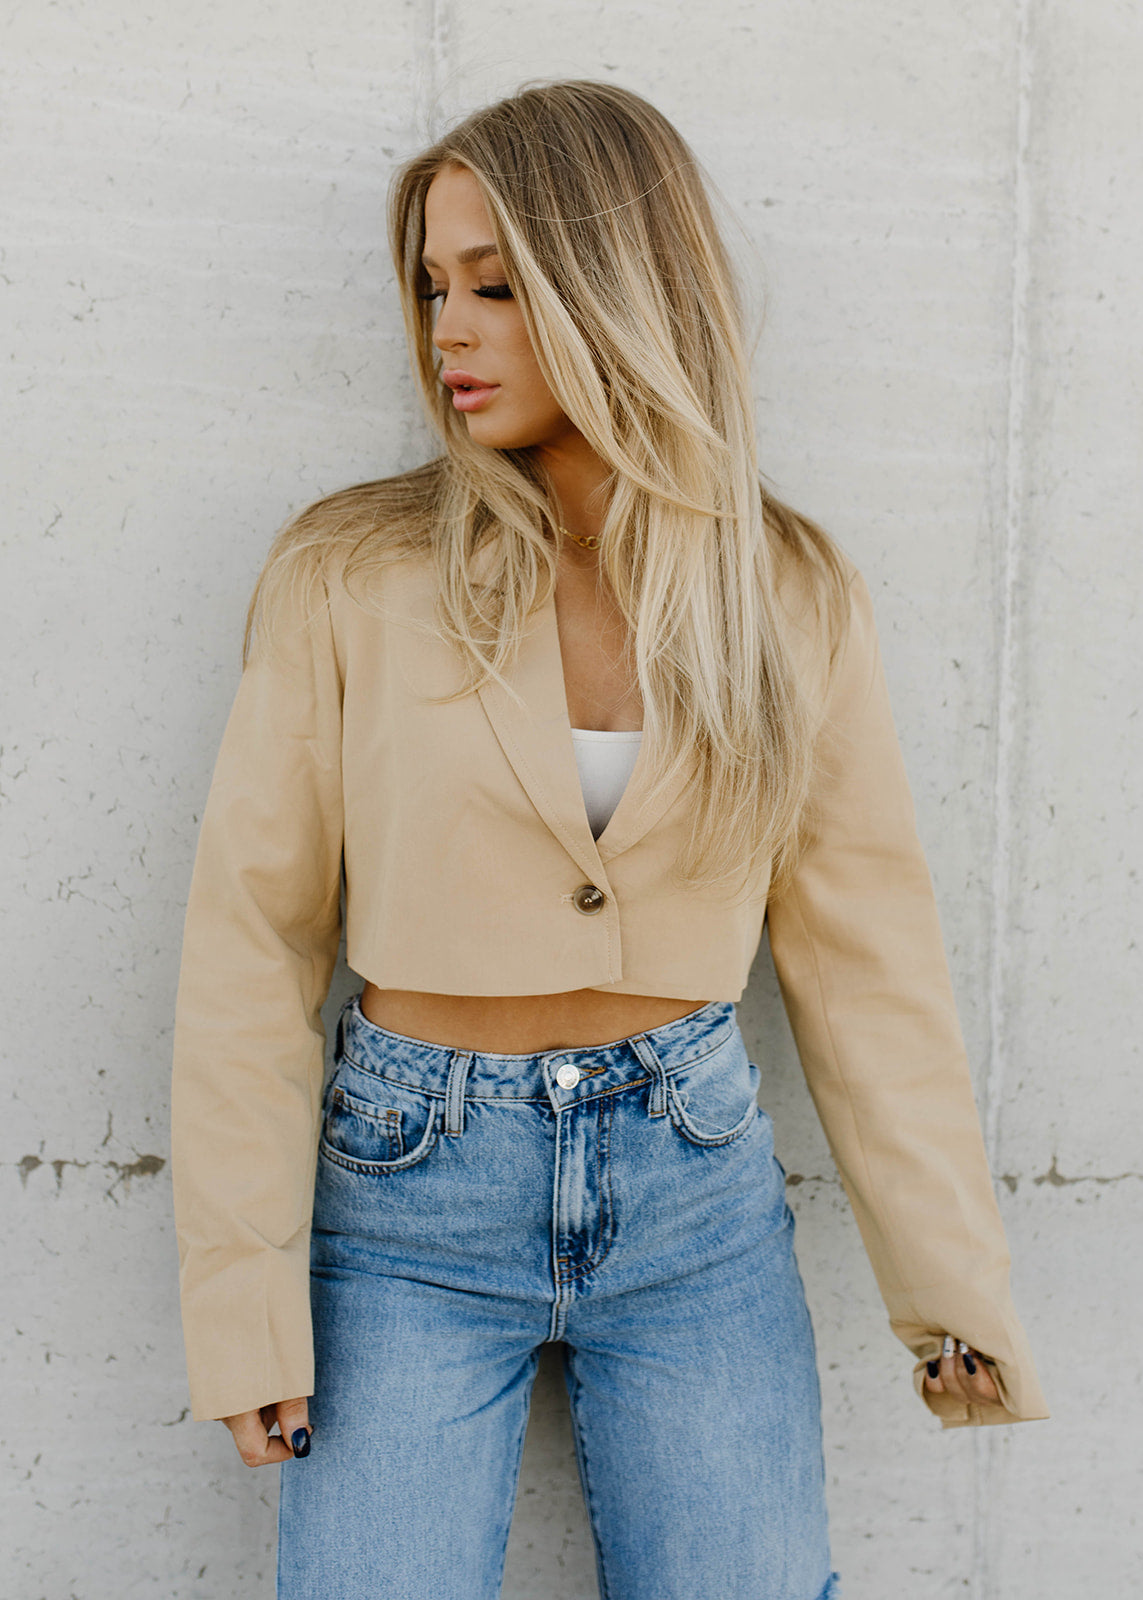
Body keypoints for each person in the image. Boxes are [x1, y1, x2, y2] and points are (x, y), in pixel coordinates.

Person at [170, 78, 1049, 1600]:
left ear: (613, 288)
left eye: (496, 288)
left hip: (695, 1193)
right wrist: (242, 1305)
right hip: (409, 1199)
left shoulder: (787, 594)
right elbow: (252, 943)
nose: (448, 331)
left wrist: (949, 1287)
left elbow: (869, 967)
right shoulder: (348, 573)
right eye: (433, 288)